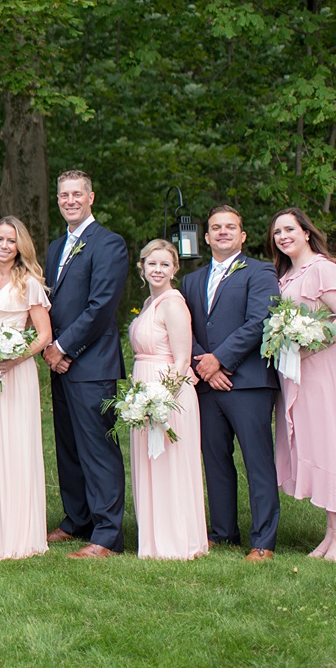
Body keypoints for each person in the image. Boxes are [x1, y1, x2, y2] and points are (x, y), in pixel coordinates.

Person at [269, 207, 336, 561]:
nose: (283, 236)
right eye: (277, 232)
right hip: (295, 371)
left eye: (289, 229)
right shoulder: (286, 276)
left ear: (306, 232)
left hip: (319, 369)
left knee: (330, 444)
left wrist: (312, 342)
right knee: (313, 444)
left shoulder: (323, 269)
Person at [182, 205, 281, 562]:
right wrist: (205, 366)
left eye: (230, 227)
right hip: (207, 385)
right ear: (206, 237)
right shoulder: (191, 280)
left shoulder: (260, 271)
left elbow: (260, 321)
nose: (223, 232)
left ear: (242, 236)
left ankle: (263, 541)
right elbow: (186, 329)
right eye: (215, 228)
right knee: (215, 459)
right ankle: (223, 533)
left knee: (257, 460)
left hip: (249, 382)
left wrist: (219, 359)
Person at [41, 170, 130, 559]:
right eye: (64, 195)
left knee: (98, 449)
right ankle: (77, 519)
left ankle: (108, 534)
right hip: (59, 363)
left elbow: (101, 307)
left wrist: (62, 346)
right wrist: (48, 348)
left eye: (77, 194)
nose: (70, 200)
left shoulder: (109, 244)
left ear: (91, 198)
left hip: (92, 364)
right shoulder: (55, 246)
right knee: (69, 447)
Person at [0, 216, 52, 561]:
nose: (4, 246)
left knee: (15, 447)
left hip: (17, 375)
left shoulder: (28, 282)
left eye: (10, 240)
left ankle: (19, 531)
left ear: (20, 245)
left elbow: (45, 336)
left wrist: (14, 358)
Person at [127, 239, 207, 560]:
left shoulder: (173, 303)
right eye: (152, 263)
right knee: (150, 464)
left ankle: (176, 541)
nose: (157, 269)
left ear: (175, 269)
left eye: (164, 264)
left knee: (168, 464)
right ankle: (154, 539)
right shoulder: (150, 303)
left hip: (167, 394)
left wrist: (160, 400)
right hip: (144, 390)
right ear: (142, 268)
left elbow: (182, 359)